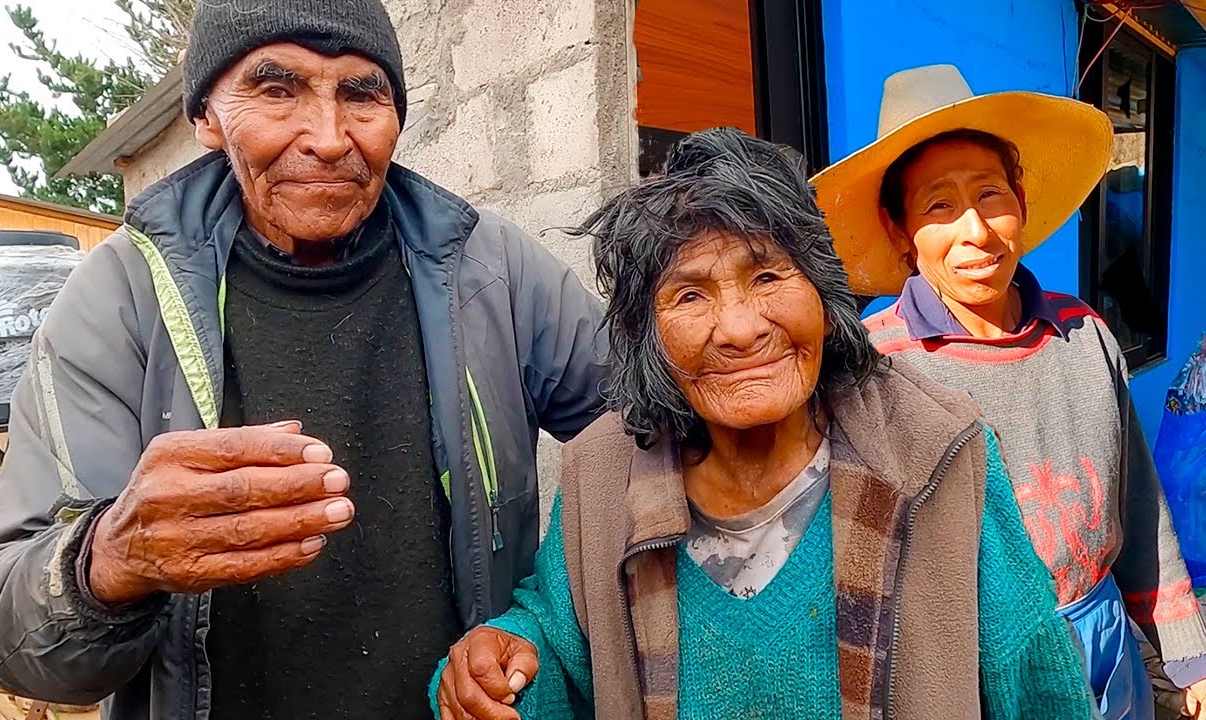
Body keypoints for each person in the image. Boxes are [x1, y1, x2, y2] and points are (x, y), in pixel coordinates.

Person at [0, 1, 608, 719]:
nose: (330, 139)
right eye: (277, 91)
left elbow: (649, 438)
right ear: (207, 116)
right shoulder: (118, 300)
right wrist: (107, 561)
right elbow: (1, 631)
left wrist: (538, 621)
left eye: (362, 94)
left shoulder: (492, 271)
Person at [431, 128, 1097, 720]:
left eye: (769, 276)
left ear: (823, 293)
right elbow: (555, 641)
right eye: (690, 295)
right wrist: (498, 662)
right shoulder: (601, 473)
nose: (743, 329)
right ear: (646, 335)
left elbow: (1037, 678)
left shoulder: (936, 450)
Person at [812, 64, 1206, 720]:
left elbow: (1138, 505)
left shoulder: (1083, 334)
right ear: (901, 230)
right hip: (969, 666)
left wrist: (1187, 654)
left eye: (989, 194)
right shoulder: (874, 367)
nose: (976, 231)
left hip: (1102, 637)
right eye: (939, 204)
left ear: (1019, 200)